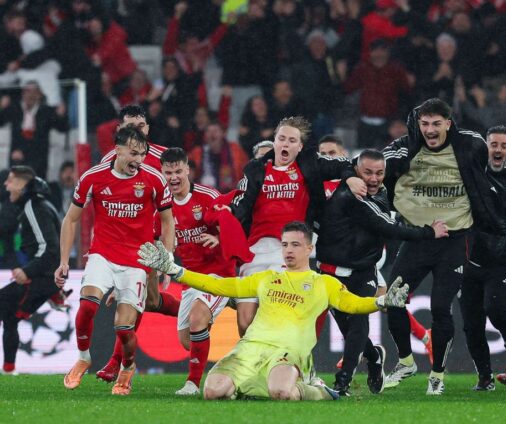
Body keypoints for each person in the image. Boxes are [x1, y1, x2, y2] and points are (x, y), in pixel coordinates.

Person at [137, 222, 410, 400]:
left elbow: (352, 304)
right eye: (284, 245)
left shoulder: (323, 283)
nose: (288, 251)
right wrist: (177, 271)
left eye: (295, 245)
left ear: (309, 248)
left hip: (287, 352)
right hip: (250, 349)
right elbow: (219, 285)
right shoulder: (266, 278)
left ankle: (319, 391)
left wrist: (380, 302)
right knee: (212, 391)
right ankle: (246, 387)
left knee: (281, 392)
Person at [381, 98, 506, 395]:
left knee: (441, 307)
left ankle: (437, 374)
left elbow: (487, 175)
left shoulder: (470, 145)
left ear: (448, 124)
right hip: (419, 237)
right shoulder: (405, 146)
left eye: (436, 124)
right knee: (392, 299)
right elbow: (380, 165)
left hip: (456, 239)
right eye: (424, 124)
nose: (429, 130)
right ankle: (405, 361)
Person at [316, 149, 448, 396]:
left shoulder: (382, 190)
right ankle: (374, 356)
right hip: (331, 273)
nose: (374, 179)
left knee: (357, 324)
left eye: (379, 173)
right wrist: (428, 232)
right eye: (367, 173)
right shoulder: (351, 196)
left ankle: (342, 383)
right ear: (356, 170)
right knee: (349, 330)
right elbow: (387, 226)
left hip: (363, 271)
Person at [58, 126, 174, 395]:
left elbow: (168, 220)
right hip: (103, 254)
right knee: (87, 306)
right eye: (133, 153)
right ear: (117, 150)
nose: (139, 159)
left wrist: (166, 260)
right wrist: (64, 260)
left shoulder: (154, 179)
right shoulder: (93, 178)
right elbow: (71, 219)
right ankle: (84, 358)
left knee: (124, 327)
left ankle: (128, 366)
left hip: (136, 261)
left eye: (143, 154)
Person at [232, 116, 363, 336]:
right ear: (274, 141)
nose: (285, 144)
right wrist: (226, 222)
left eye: (292, 140)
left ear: (300, 146)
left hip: (288, 251)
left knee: (277, 315)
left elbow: (343, 164)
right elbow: (241, 203)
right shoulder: (255, 169)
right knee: (245, 324)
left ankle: (288, 365)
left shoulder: (309, 163)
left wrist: (349, 178)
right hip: (254, 251)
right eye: (281, 138)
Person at [95, 104, 183, 383]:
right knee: (151, 300)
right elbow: (101, 200)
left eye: (141, 127)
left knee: (143, 297)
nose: (136, 132)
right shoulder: (108, 160)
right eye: (130, 127)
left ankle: (115, 362)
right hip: (125, 238)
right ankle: (195, 311)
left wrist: (170, 241)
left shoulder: (162, 156)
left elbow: (179, 188)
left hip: (154, 237)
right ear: (120, 131)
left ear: (148, 129)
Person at [159, 147, 252, 396]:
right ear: (162, 173)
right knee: (186, 339)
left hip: (219, 274)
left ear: (188, 169)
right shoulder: (162, 204)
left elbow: (236, 219)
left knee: (199, 318)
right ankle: (230, 370)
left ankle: (192, 383)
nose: (174, 177)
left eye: (178, 171)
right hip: (191, 278)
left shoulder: (208, 196)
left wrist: (219, 236)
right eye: (168, 172)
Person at [459, 126, 506, 391]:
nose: (498, 150)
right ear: (486, 147)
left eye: (503, 145)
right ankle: (484, 376)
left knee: (495, 308)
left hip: (499, 260)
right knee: (471, 324)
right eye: (493, 144)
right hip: (470, 260)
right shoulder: (472, 173)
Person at [0, 166, 61, 375]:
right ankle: (9, 369)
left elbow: (50, 249)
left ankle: (54, 291)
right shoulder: (39, 205)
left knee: (5, 309)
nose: (6, 185)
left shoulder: (33, 207)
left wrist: (28, 271)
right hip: (46, 277)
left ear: (22, 185)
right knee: (9, 317)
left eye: (10, 181)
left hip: (42, 277)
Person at [0, 81, 69, 178]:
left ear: (39, 94)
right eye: (26, 91)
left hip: (38, 160)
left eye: (33, 92)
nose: (29, 95)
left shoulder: (46, 111)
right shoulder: (15, 109)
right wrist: (2, 108)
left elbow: (62, 128)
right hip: (17, 158)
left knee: (36, 188)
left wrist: (61, 115)